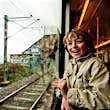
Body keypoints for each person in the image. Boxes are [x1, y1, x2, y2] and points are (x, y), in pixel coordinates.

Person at [51, 28, 110, 110]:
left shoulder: (96, 65)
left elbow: (103, 100)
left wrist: (67, 93)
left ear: (88, 45)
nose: (74, 46)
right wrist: (64, 97)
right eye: (70, 43)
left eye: (79, 42)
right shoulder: (71, 63)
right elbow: (63, 85)